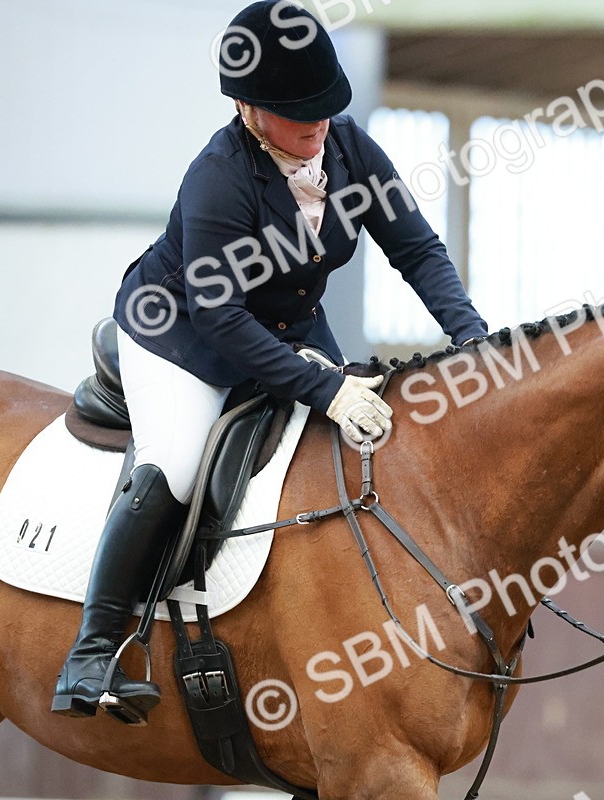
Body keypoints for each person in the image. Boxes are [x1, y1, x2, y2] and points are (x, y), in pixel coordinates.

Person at [52, 0, 488, 724]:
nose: (316, 124)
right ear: (248, 108)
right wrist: (326, 387)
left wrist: (474, 340)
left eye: (324, 106)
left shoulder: (349, 151)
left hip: (288, 327)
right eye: (297, 112)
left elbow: (416, 249)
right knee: (179, 463)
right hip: (183, 335)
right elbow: (221, 319)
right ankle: (92, 649)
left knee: (366, 443)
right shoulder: (217, 178)